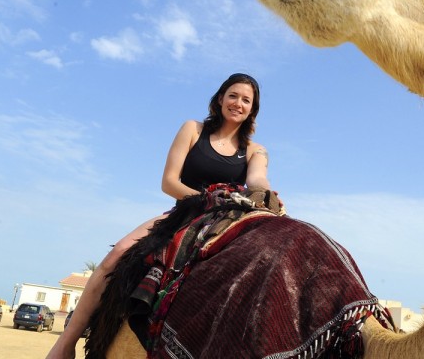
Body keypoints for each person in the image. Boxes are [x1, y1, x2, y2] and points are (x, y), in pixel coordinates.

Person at [47, 73, 271, 359]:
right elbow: (169, 182)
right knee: (118, 254)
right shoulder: (193, 129)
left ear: (253, 109)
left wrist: (265, 194)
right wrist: (206, 200)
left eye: (246, 100)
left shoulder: (255, 150)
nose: (238, 103)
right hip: (183, 214)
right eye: (233, 95)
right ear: (220, 99)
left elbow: (257, 179)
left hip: (224, 220)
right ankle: (64, 346)